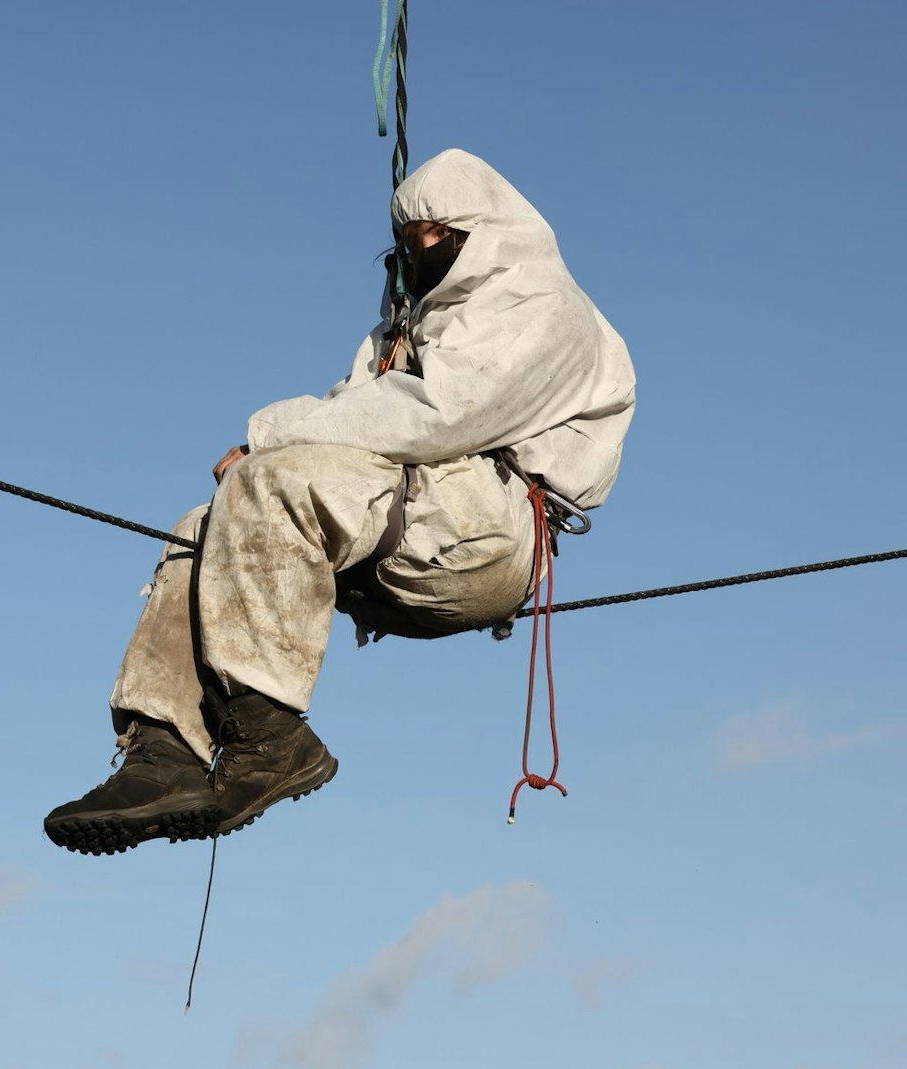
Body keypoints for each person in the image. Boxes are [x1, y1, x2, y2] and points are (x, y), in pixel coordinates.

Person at [44, 149, 636, 855]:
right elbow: (358, 411)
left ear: (477, 232)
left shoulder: (539, 309)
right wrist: (268, 461)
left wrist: (268, 438)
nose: (414, 258)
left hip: (491, 526)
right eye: (405, 247)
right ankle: (163, 754)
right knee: (204, 532)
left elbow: (438, 413)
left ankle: (267, 738)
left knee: (269, 486)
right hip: (414, 518)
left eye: (427, 242)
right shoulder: (409, 323)